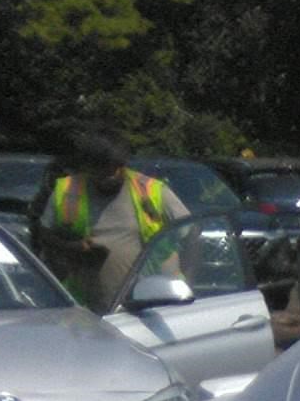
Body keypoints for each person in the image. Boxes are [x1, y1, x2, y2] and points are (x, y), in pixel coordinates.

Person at [35, 130, 187, 310]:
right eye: (98, 173)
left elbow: (192, 232)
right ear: (87, 168)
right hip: (85, 309)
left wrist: (189, 278)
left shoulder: (151, 190)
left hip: (148, 305)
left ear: (122, 164)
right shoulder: (67, 190)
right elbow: (43, 235)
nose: (106, 179)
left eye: (111, 172)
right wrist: (72, 247)